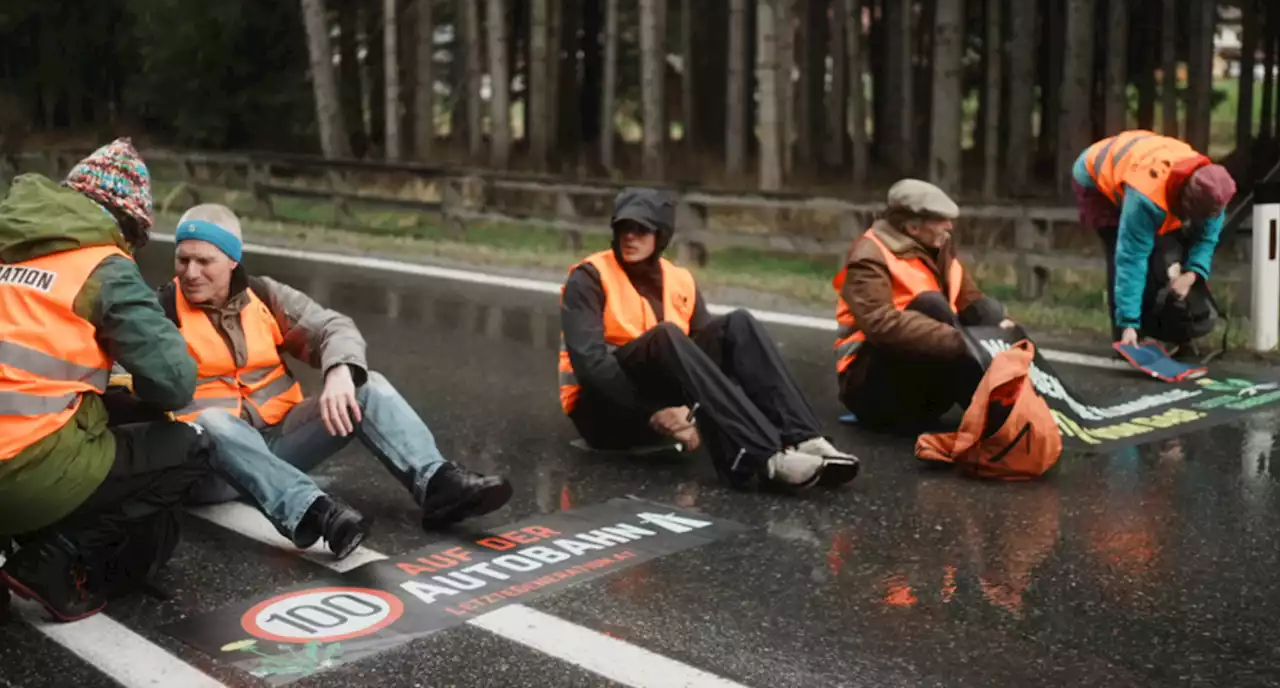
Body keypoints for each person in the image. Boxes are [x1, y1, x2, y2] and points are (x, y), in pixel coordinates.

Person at [158, 203, 512, 558]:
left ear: (233, 259)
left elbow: (333, 327)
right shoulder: (159, 311)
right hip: (210, 466)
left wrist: (340, 371)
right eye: (182, 260)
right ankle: (315, 513)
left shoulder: (263, 296)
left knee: (366, 385)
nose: (190, 272)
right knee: (212, 420)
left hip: (277, 441)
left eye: (204, 261)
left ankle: (437, 484)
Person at [0, 139, 213, 622]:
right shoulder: (102, 267)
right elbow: (174, 383)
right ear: (124, 224)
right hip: (18, 472)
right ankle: (51, 560)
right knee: (190, 447)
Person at [558, 187, 859, 491]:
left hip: (663, 404)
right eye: (624, 227)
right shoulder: (589, 277)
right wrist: (652, 412)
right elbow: (591, 365)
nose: (630, 236)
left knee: (738, 324)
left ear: (661, 234)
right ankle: (763, 457)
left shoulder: (680, 280)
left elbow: (711, 367)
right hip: (604, 414)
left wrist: (698, 414)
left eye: (641, 228)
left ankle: (804, 438)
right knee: (666, 336)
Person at [834, 179, 1011, 433]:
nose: (949, 226)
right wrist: (966, 342)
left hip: (921, 383)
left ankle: (1004, 411)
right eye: (940, 220)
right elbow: (881, 324)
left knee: (989, 312)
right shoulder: (868, 256)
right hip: (871, 390)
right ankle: (994, 419)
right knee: (932, 306)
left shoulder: (938, 247)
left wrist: (1007, 332)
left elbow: (970, 300)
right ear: (913, 227)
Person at [1072, 129, 1236, 349]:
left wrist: (1191, 275)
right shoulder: (1147, 198)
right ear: (1186, 200)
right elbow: (1130, 257)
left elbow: (1206, 240)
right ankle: (1127, 335)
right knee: (1123, 252)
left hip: (1143, 160)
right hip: (1096, 180)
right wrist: (1129, 322)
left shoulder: (1215, 193)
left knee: (1168, 257)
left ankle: (1168, 331)